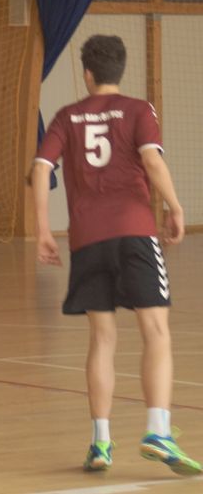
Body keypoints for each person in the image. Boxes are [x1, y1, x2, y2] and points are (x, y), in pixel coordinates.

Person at [32, 34, 200, 475]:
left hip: (87, 238)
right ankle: (157, 431)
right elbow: (153, 162)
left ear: (86, 73)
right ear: (120, 70)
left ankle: (101, 442)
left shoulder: (67, 116)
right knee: (156, 331)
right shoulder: (139, 110)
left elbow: (41, 168)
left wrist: (43, 230)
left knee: (102, 338)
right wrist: (176, 207)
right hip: (134, 231)